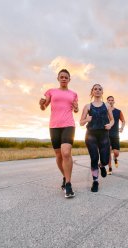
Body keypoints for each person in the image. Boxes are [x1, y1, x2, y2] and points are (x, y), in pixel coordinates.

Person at [39, 69, 79, 198]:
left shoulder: (73, 94)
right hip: (54, 126)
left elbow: (76, 109)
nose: (63, 79)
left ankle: (68, 184)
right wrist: (41, 104)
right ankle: (65, 176)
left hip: (69, 125)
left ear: (69, 79)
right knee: (58, 155)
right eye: (61, 77)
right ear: (58, 78)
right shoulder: (51, 91)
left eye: (66, 77)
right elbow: (44, 107)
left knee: (66, 153)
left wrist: (77, 107)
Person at [80, 84, 114, 192]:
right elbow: (81, 122)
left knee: (104, 160)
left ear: (102, 92)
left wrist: (110, 125)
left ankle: (102, 165)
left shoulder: (107, 106)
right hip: (91, 135)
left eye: (100, 89)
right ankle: (95, 181)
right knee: (94, 158)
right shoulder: (87, 106)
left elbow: (112, 120)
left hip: (104, 134)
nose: (98, 91)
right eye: (95, 89)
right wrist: (86, 120)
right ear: (92, 92)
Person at [106, 96, 126, 175]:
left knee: (116, 152)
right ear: (107, 102)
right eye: (109, 100)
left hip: (115, 134)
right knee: (108, 151)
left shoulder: (118, 111)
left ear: (114, 102)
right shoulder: (104, 111)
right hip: (106, 134)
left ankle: (115, 157)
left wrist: (122, 128)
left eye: (112, 100)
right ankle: (110, 168)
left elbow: (123, 121)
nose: (110, 101)